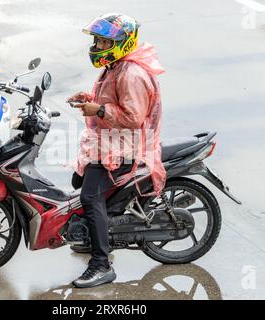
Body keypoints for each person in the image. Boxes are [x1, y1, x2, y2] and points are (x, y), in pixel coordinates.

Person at [67, 13, 166, 288]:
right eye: (97, 42)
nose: (97, 47)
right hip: (111, 141)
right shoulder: (115, 66)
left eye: (101, 42)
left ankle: (101, 264)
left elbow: (133, 117)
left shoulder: (131, 73)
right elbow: (112, 101)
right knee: (78, 181)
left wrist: (98, 109)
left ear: (120, 42)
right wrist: (88, 99)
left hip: (126, 148)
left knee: (89, 197)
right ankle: (96, 236)